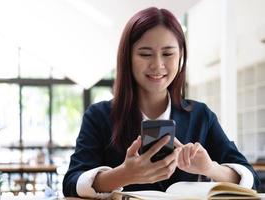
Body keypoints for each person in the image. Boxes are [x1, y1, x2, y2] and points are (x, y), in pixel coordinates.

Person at [63, 7, 260, 198]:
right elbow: (72, 182)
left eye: (168, 54)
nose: (157, 65)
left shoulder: (200, 115)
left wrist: (210, 168)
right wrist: (123, 174)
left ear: (181, 56)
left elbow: (250, 179)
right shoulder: (99, 116)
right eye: (145, 54)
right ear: (128, 57)